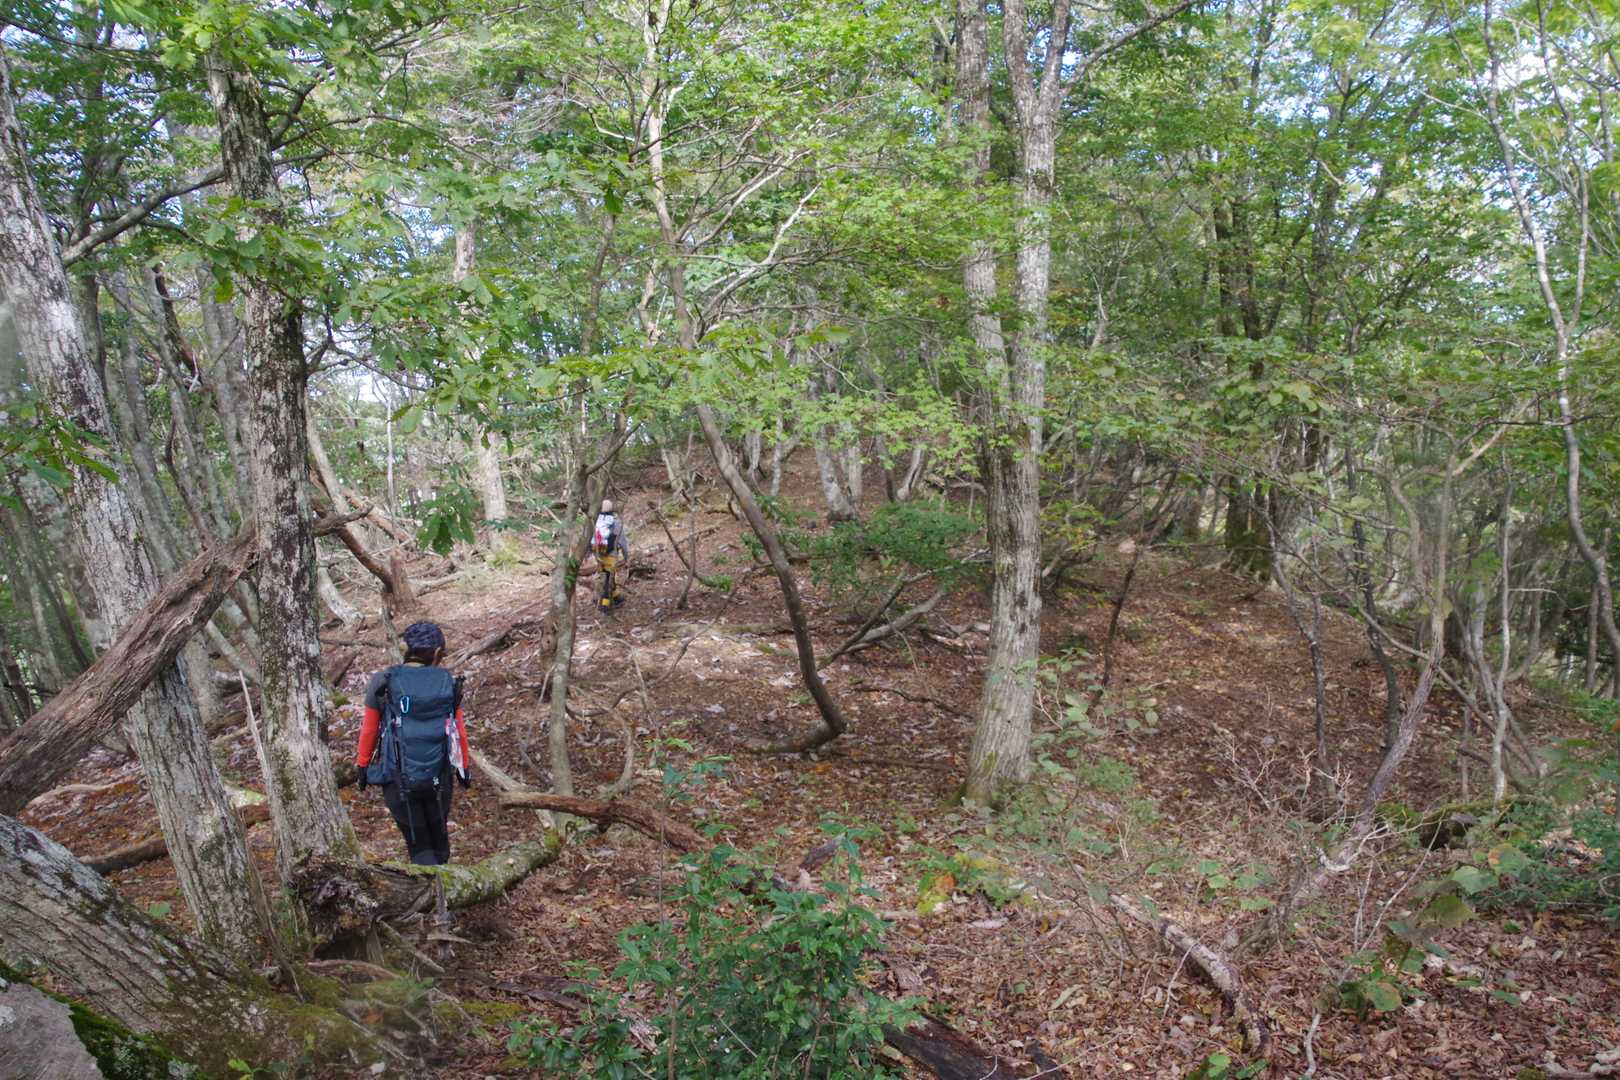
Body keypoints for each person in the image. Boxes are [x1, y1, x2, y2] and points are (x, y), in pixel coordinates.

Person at [355, 621, 471, 865]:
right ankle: (441, 878)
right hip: (439, 779)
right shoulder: (447, 682)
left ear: (407, 649)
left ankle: (429, 878)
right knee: (439, 841)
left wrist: (363, 766)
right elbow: (458, 731)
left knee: (418, 846)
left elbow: (369, 730)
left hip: (397, 780)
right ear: (437, 652)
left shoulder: (383, 680)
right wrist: (464, 769)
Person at [592, 499, 630, 611]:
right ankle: (605, 605)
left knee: (606, 576)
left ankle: (617, 598)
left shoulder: (595, 522)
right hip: (611, 555)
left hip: (599, 555)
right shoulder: (615, 523)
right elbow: (622, 542)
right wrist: (626, 557)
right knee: (609, 579)